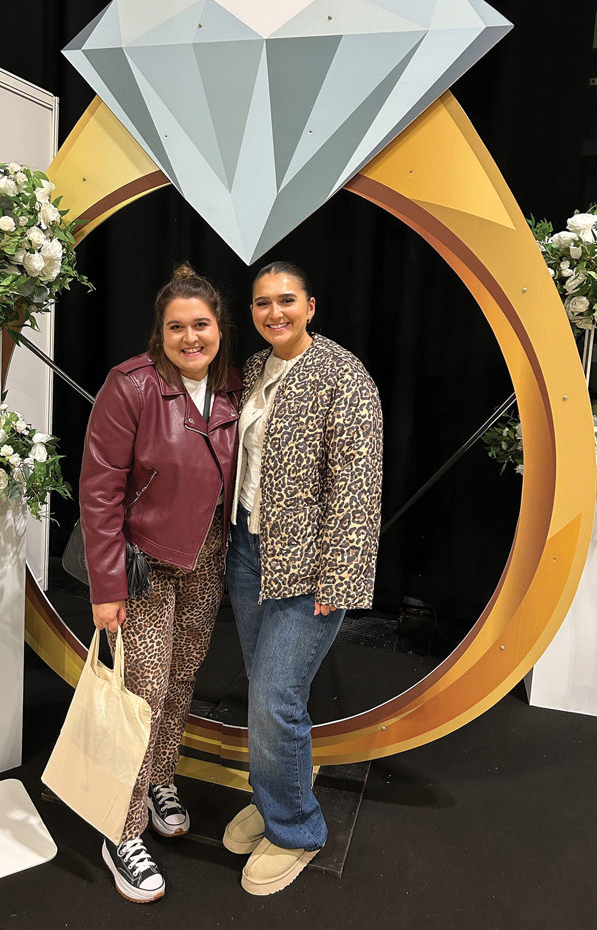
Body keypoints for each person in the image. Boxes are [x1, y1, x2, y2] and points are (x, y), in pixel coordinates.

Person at [79, 264, 241, 904]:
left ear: (219, 329)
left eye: (201, 324)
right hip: (144, 561)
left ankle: (158, 778)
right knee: (141, 692)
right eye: (177, 326)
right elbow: (99, 491)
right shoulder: (131, 385)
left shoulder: (230, 388)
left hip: (205, 557)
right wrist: (106, 584)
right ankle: (120, 828)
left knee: (181, 678)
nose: (190, 336)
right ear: (161, 331)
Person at [222, 260, 383, 896]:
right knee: (265, 688)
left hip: (308, 566)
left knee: (274, 698)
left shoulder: (343, 375)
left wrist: (337, 579)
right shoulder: (258, 370)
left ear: (310, 305)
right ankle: (276, 791)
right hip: (248, 550)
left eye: (286, 301)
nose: (273, 313)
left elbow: (357, 484)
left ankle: (296, 829)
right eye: (262, 304)